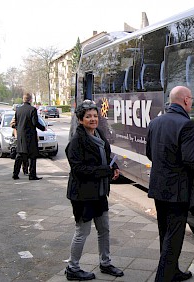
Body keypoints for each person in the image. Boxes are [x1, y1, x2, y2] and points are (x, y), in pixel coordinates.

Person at [146, 86, 194, 282]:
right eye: (191, 99)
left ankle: (174, 270)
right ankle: (164, 277)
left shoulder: (155, 122)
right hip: (178, 190)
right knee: (175, 236)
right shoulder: (185, 124)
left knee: (165, 232)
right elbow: (190, 159)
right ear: (186, 100)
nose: (192, 102)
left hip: (158, 187)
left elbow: (149, 153)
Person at [64, 99, 123, 281]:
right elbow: (79, 170)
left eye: (95, 116)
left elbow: (106, 156)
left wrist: (113, 168)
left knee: (104, 229)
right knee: (82, 232)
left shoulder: (99, 135)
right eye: (88, 116)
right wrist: (105, 171)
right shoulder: (77, 141)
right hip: (83, 194)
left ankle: (105, 263)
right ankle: (72, 268)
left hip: (99, 192)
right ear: (81, 120)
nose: (93, 119)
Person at [12, 93, 46, 180]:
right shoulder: (32, 110)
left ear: (23, 99)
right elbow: (35, 123)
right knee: (32, 156)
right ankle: (32, 175)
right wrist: (43, 128)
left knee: (19, 155)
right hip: (30, 137)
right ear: (30, 100)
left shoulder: (18, 110)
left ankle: (15, 174)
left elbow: (16, 123)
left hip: (21, 137)